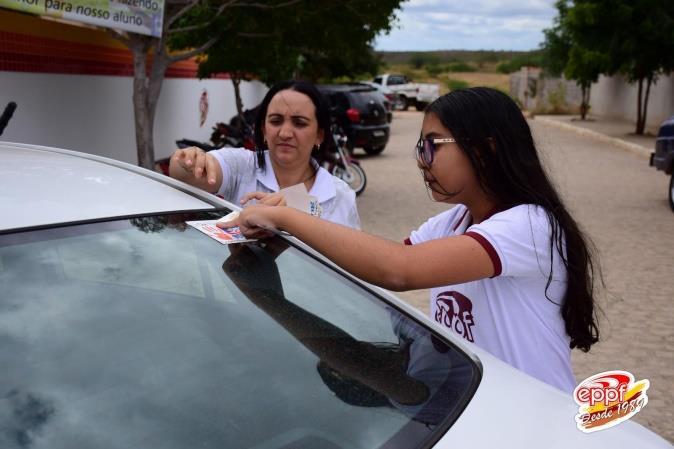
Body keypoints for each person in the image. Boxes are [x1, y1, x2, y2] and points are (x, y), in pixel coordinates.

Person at [220, 87, 601, 394]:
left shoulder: (529, 226)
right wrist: (296, 208)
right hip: (482, 411)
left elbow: (398, 270)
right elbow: (371, 254)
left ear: (485, 149)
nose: (422, 160)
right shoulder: (456, 220)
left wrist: (286, 215)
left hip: (534, 423)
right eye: (421, 146)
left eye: (433, 144)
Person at [168, 80, 360, 229]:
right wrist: (188, 161)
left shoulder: (340, 195)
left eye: (299, 123)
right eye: (276, 121)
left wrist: (298, 205)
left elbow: (352, 261)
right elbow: (183, 174)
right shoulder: (242, 165)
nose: (285, 133)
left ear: (320, 134)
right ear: (264, 129)